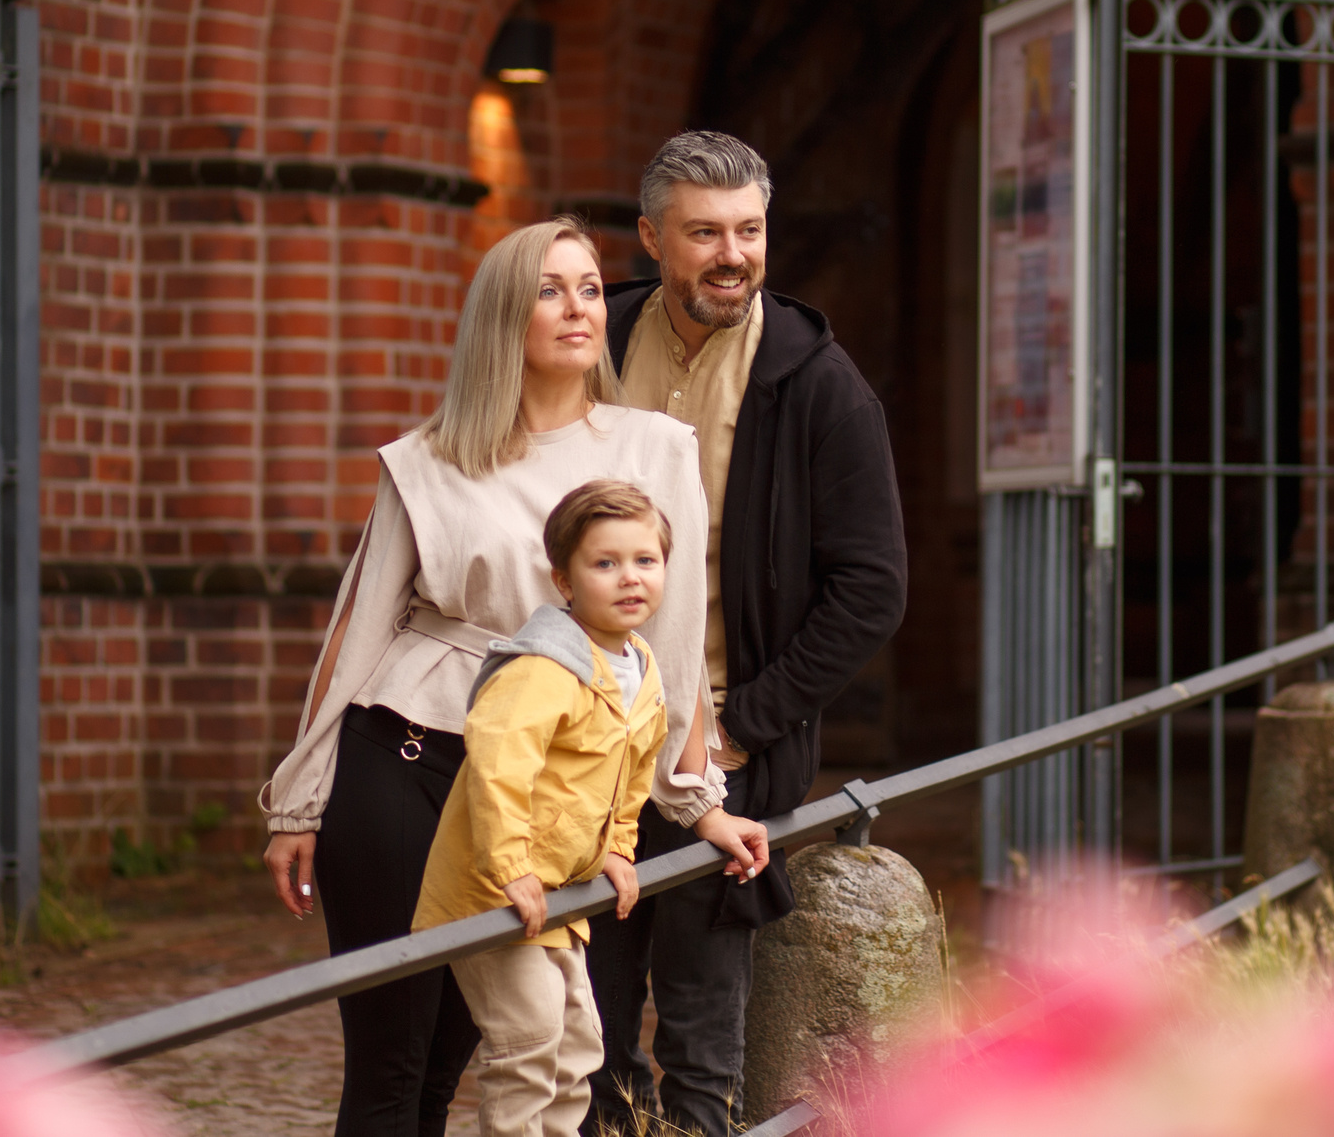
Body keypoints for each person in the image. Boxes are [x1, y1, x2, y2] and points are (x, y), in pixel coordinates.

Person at [260, 217, 726, 1137]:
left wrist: (693, 796)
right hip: (403, 760)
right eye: (548, 290)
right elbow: (357, 632)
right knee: (393, 1064)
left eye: (590, 286)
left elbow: (672, 648)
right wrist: (298, 804)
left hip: (535, 787)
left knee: (458, 1059)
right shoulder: (429, 460)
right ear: (501, 318)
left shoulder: (656, 449)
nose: (577, 307)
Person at [587, 131, 910, 1137]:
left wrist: (741, 729)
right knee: (580, 1024)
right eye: (703, 233)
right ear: (650, 238)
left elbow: (872, 588)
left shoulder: (818, 384)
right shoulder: (591, 341)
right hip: (582, 737)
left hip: (722, 750)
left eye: (749, 231)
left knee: (700, 1035)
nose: (732, 254)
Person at [415, 479, 770, 1137]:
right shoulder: (543, 667)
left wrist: (616, 849)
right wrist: (510, 866)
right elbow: (498, 767)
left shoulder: (641, 664)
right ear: (565, 578)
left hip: (563, 893)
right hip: (497, 887)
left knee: (578, 1046)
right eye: (604, 563)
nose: (629, 577)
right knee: (528, 1045)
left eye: (645, 560)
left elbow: (632, 775)